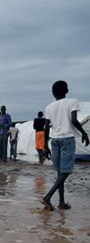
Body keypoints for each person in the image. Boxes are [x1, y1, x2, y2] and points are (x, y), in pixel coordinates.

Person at [41, 81, 89, 211]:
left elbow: (46, 127)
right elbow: (73, 120)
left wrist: (45, 145)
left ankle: (61, 202)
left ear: (53, 93)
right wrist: (84, 133)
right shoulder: (72, 102)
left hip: (54, 140)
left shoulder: (49, 107)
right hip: (67, 138)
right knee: (66, 171)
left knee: (59, 172)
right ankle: (47, 197)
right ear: (66, 90)